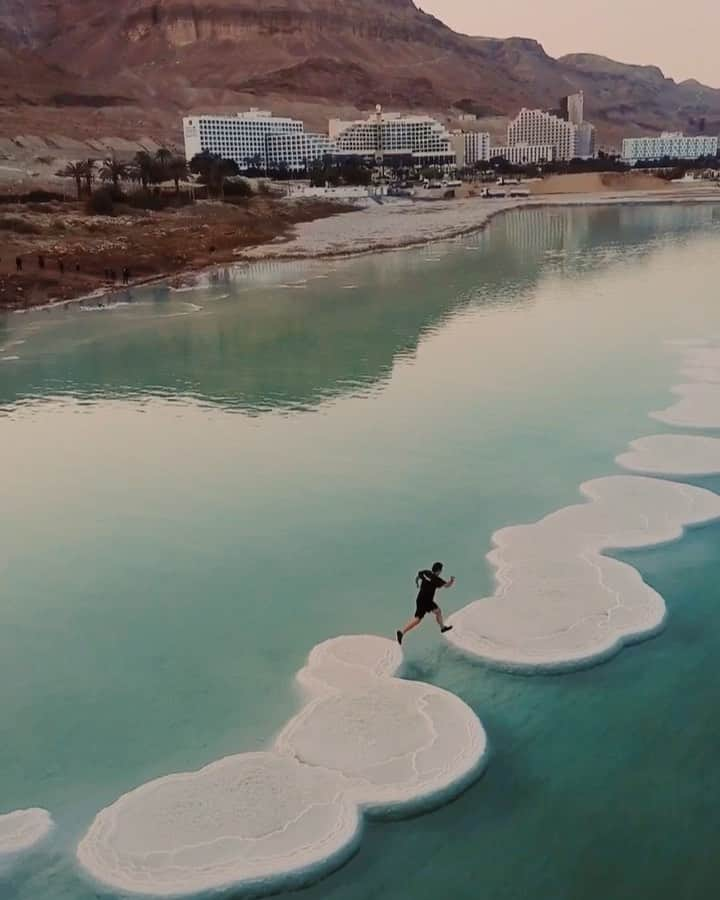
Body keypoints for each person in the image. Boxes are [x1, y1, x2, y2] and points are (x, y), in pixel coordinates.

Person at [396, 562, 455, 646]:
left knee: (422, 617)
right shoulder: (436, 580)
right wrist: (452, 581)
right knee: (426, 616)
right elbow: (447, 586)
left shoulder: (426, 573)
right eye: (441, 570)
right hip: (427, 601)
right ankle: (442, 628)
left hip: (420, 599)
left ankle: (402, 632)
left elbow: (418, 576)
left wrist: (417, 583)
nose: (441, 572)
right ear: (438, 571)